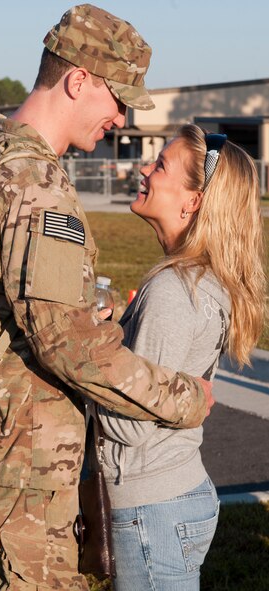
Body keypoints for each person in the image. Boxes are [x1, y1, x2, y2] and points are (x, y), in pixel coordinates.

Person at [0, 6, 212, 591]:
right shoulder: (37, 184)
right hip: (17, 484)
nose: (122, 115)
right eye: (118, 96)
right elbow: (71, 352)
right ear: (78, 80)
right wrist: (186, 398)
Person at [97, 124, 266, 590]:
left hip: (150, 507)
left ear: (192, 202)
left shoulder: (173, 290)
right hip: (172, 498)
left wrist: (74, 358)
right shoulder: (195, 278)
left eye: (161, 165)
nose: (145, 170)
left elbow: (129, 423)